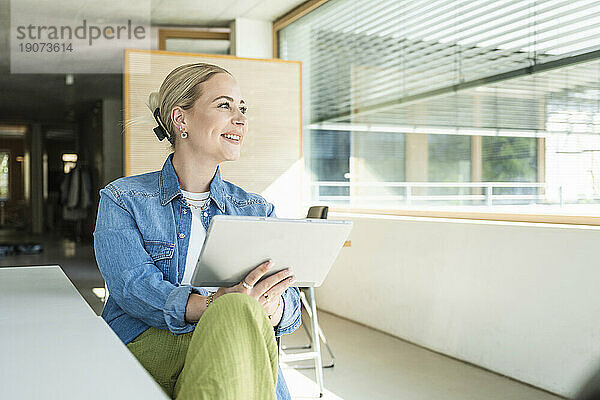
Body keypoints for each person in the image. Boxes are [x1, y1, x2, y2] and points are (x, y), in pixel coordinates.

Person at [93, 63, 301, 400]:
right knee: (235, 312)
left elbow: (290, 299)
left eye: (242, 108)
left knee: (240, 315)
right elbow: (132, 287)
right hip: (148, 342)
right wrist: (216, 305)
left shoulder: (256, 209)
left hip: (232, 341)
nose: (241, 118)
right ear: (180, 118)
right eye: (224, 105)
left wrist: (270, 305)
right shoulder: (123, 199)